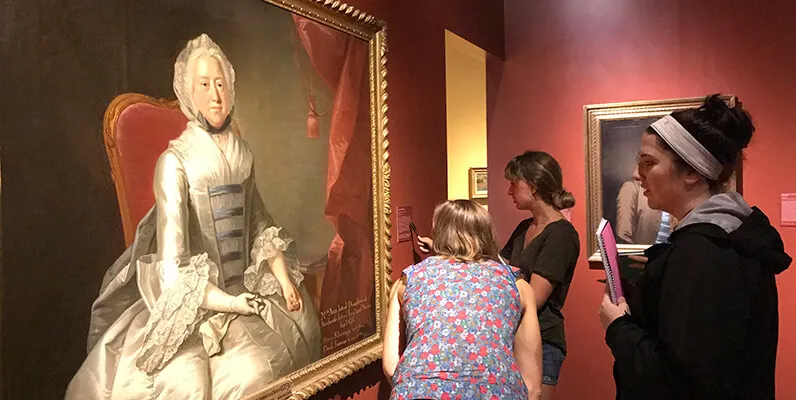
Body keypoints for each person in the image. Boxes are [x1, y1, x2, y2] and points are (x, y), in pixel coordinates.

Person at [66, 34, 321, 399]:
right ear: (190, 94)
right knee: (241, 375)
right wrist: (230, 303)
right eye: (204, 85)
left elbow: (260, 225)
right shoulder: (174, 162)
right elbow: (175, 267)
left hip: (245, 289)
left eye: (220, 84)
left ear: (230, 89)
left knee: (301, 331)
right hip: (199, 302)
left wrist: (284, 280)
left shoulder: (242, 153)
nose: (215, 94)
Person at [599, 94, 792, 399]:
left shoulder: (701, 253)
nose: (637, 175)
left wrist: (618, 326)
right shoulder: (727, 238)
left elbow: (679, 379)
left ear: (691, 173)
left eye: (649, 163)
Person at [384, 200, 543, 399]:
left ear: (438, 232)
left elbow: (391, 365)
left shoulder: (408, 280)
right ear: (486, 233)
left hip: (418, 391)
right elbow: (532, 382)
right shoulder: (517, 285)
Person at [499, 151, 580, 399]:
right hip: (518, 334)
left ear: (532, 187)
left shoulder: (561, 235)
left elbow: (534, 297)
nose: (510, 191)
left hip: (542, 340)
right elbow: (497, 266)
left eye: (514, 184)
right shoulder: (526, 227)